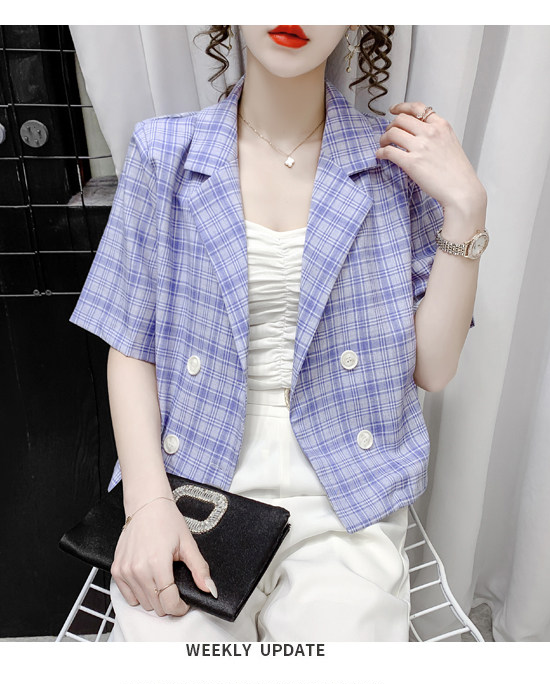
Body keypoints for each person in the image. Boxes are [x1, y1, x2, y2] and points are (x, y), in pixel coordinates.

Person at [69, 25, 488, 641]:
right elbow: (131, 344)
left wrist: (467, 207)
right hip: (194, 479)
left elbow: (434, 367)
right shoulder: (165, 152)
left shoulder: (395, 167)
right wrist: (148, 503)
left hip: (345, 492)